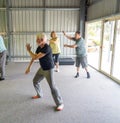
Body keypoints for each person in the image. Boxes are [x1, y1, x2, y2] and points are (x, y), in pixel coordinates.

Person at [25, 33, 64, 111]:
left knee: (52, 87)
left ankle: (60, 103)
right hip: (42, 68)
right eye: (38, 39)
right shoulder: (39, 47)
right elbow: (33, 58)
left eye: (41, 39)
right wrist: (29, 67)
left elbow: (35, 57)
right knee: (35, 81)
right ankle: (39, 94)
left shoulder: (47, 48)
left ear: (46, 40)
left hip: (49, 69)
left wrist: (29, 50)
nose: (39, 40)